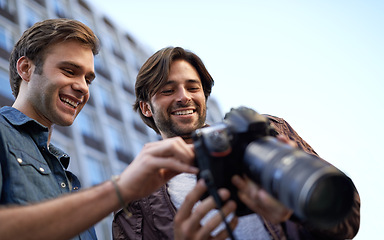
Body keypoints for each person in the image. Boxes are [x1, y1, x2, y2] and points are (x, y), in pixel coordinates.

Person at [112, 46, 360, 240]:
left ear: (204, 96)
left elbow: (348, 219)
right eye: (168, 90)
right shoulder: (135, 197)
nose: (184, 97)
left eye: (193, 87)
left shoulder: (268, 135)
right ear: (146, 107)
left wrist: (297, 209)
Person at [0, 19, 199, 240]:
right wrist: (119, 190)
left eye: (88, 79)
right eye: (69, 71)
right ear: (26, 69)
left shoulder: (65, 175)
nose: (83, 87)